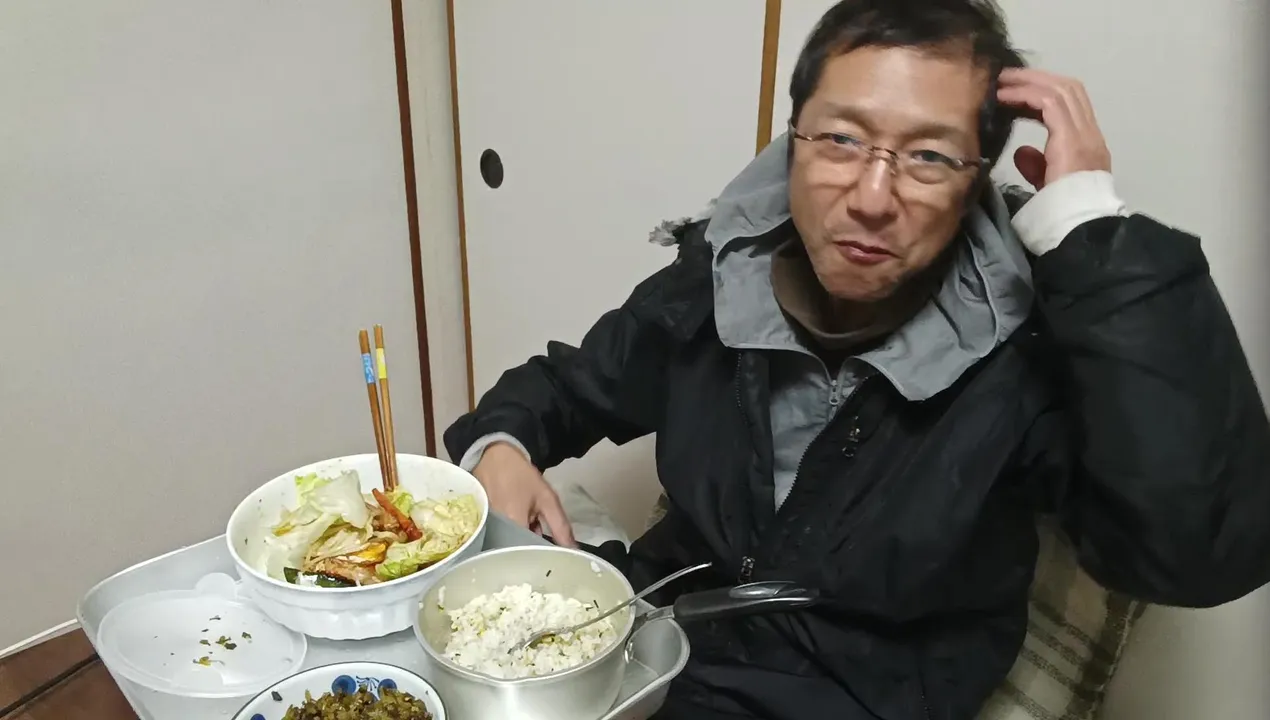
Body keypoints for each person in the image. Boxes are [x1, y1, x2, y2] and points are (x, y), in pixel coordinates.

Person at [444, 1, 1270, 718]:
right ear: (794, 141)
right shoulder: (723, 271)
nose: (873, 198)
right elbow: (570, 384)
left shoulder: (1019, 346)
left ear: (977, 180)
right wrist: (502, 445)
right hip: (669, 638)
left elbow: (1198, 552)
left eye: (929, 156)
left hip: (863, 693)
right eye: (841, 139)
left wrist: (1089, 230)